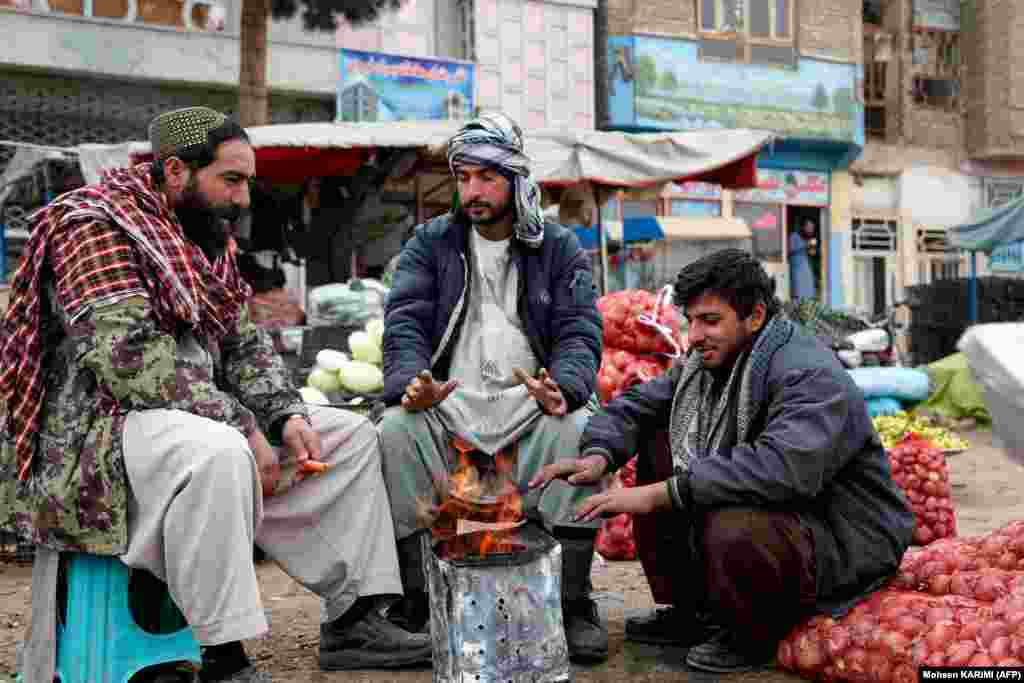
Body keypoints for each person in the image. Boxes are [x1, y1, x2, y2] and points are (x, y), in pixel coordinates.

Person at [0, 107, 430, 683]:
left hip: (188, 421)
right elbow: (128, 359)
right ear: (175, 170)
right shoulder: (93, 227)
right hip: (98, 435)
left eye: (246, 180)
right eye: (232, 179)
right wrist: (243, 426)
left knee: (347, 436)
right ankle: (226, 658)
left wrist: (284, 416)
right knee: (221, 451)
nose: (245, 197)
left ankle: (354, 619)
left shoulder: (202, 237)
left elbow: (243, 344)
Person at [531, 249, 914, 672]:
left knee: (732, 518)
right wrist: (600, 456)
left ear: (754, 316)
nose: (694, 335)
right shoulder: (706, 363)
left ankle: (752, 635)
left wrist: (661, 494)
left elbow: (783, 468)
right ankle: (692, 613)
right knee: (662, 437)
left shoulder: (807, 373)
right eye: (691, 320)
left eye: (710, 321)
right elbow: (639, 405)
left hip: (844, 537)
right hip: (787, 514)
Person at [377, 112, 608, 662]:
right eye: (464, 178)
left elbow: (580, 330)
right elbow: (404, 321)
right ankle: (418, 601)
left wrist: (567, 387)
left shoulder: (557, 246)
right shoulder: (431, 243)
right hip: (449, 405)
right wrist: (412, 385)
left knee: (579, 429)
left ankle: (573, 603)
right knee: (395, 431)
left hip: (530, 407)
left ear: (515, 179)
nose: (473, 191)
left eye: (487, 177)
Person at [788, 218, 818, 300]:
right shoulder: (794, 236)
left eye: (812, 228)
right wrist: (806, 245)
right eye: (809, 227)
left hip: (807, 275)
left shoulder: (809, 239)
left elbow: (812, 254)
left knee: (809, 298)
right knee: (797, 297)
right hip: (797, 274)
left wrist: (812, 248)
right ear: (803, 227)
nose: (811, 230)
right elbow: (790, 250)